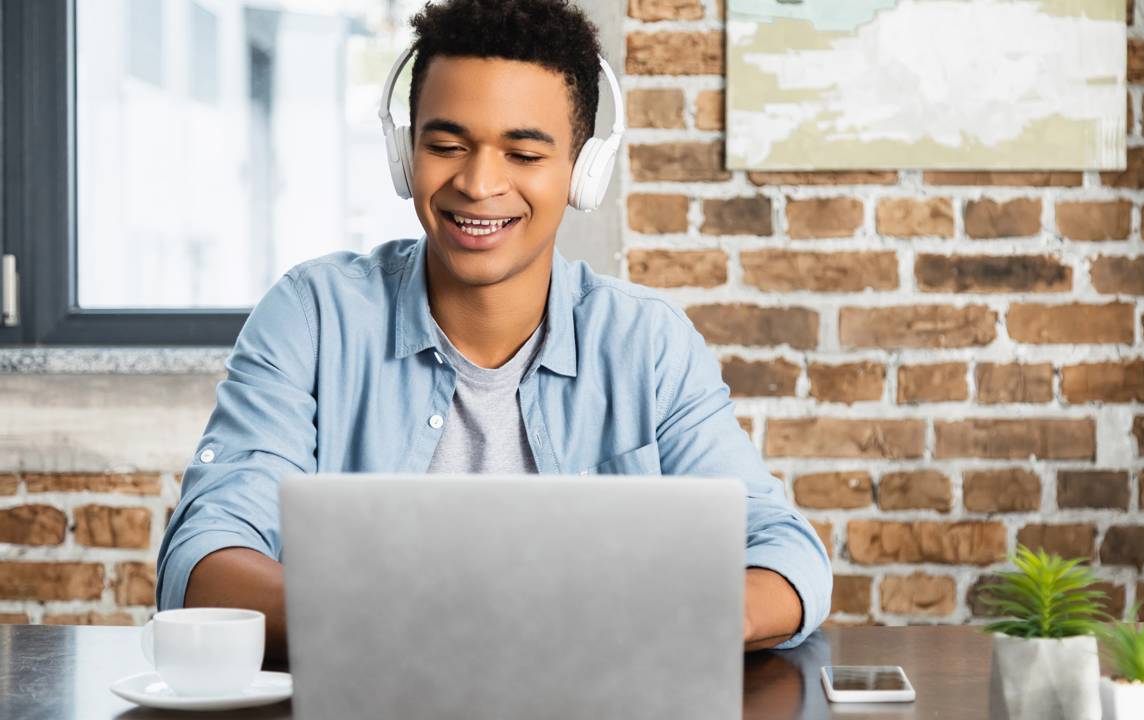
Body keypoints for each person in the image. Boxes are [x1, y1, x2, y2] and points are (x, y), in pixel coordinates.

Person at [156, 0, 831, 660]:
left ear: (583, 171)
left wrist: (665, 619)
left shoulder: (646, 344)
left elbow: (784, 553)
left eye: (524, 154)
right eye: (446, 145)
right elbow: (205, 563)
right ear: (403, 151)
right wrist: (424, 626)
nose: (479, 184)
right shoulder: (313, 316)